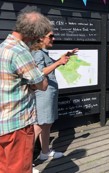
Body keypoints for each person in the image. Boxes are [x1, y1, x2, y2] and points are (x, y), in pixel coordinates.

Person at [0, 11, 50, 173]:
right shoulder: (21, 52)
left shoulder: (3, 47)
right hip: (18, 123)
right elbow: (42, 84)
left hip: (3, 122)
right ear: (33, 34)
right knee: (19, 169)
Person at [31, 31, 78, 160]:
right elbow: (40, 72)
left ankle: (45, 152)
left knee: (47, 124)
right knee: (39, 125)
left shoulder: (43, 52)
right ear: (41, 37)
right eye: (50, 36)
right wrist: (58, 63)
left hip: (49, 93)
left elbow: (50, 66)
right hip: (43, 93)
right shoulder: (38, 53)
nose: (53, 38)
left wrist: (66, 56)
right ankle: (25, 163)